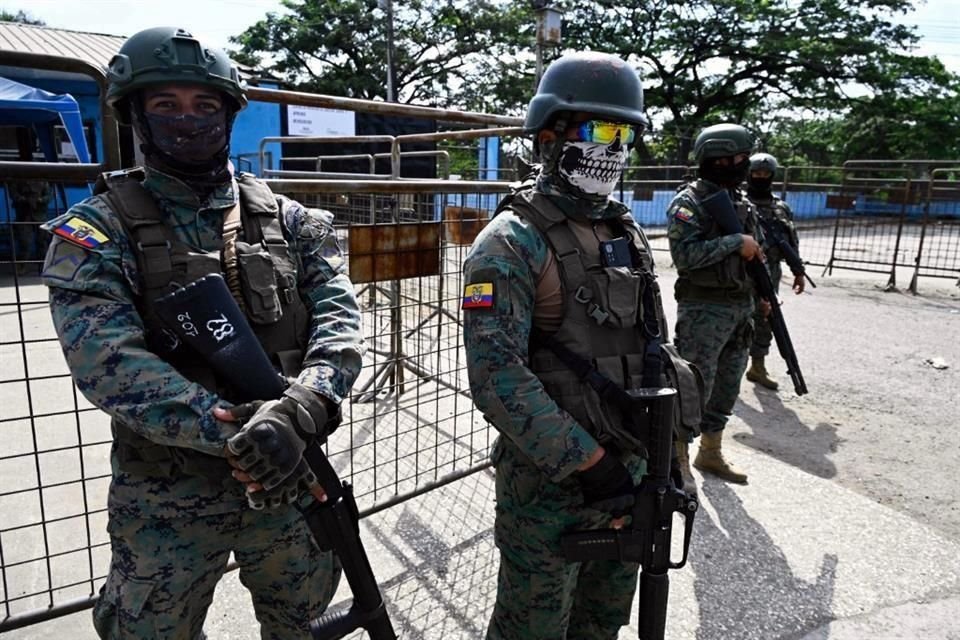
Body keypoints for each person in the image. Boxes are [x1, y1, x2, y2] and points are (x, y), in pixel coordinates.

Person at [40, 27, 363, 639]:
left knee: (306, 625)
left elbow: (341, 324)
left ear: (228, 113)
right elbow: (109, 364)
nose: (187, 120)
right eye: (166, 105)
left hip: (293, 480)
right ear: (136, 113)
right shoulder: (96, 232)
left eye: (204, 105)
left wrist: (302, 408)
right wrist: (247, 434)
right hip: (169, 497)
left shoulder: (288, 220)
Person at [463, 51, 668, 639]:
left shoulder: (624, 229)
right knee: (533, 628)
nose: (614, 146)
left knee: (603, 622)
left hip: (631, 471)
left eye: (625, 132)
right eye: (599, 129)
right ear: (549, 134)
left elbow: (655, 349)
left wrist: (667, 455)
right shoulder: (509, 242)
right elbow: (497, 377)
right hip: (550, 484)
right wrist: (590, 464)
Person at [667, 123, 768, 486]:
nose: (743, 164)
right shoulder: (688, 203)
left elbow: (756, 256)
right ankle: (676, 457)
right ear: (716, 159)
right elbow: (685, 256)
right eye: (737, 158)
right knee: (694, 386)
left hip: (740, 309)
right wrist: (732, 243)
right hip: (704, 311)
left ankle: (710, 452)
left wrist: (763, 299)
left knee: (727, 385)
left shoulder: (741, 203)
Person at [744, 152, 804, 390]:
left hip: (772, 272)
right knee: (738, 318)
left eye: (766, 174)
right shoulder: (739, 204)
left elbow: (791, 242)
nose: (761, 178)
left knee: (767, 319)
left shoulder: (781, 208)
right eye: (756, 173)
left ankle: (757, 366)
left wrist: (798, 270)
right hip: (744, 271)